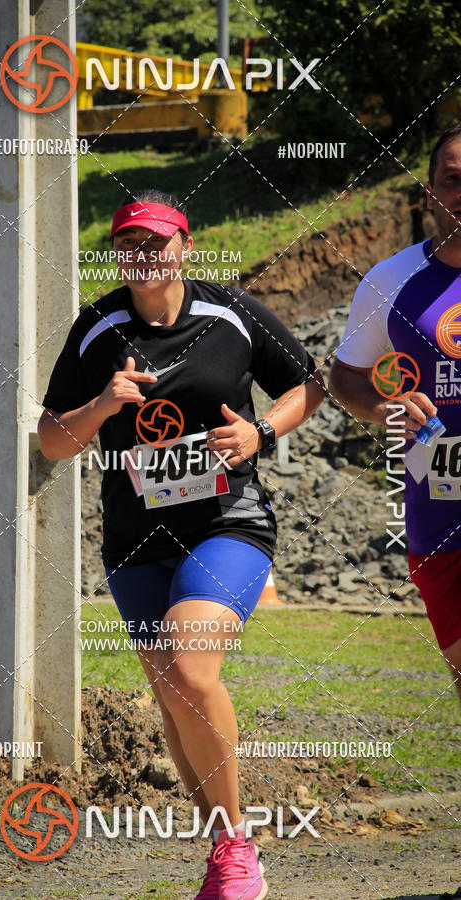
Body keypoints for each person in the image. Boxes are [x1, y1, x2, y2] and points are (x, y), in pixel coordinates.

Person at [38, 189, 325, 900]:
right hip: (136, 542)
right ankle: (224, 854)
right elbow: (50, 440)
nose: (141, 255)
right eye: (127, 244)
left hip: (228, 524)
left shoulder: (231, 313)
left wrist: (262, 433)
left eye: (155, 242)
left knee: (190, 669)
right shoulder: (95, 328)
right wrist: (104, 404)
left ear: (184, 245)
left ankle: (236, 849)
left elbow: (309, 384)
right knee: (171, 693)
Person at [329, 124, 461, 704]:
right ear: (429, 193)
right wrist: (385, 410)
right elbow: (342, 376)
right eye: (452, 180)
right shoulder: (389, 280)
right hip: (439, 504)